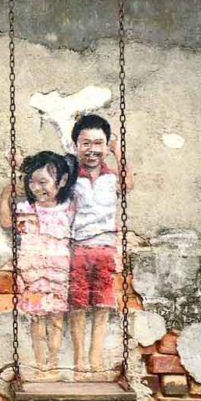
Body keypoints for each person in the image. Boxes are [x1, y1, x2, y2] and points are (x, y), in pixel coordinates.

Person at [0, 151, 77, 378]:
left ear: (61, 182)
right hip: (33, 273)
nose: (36, 188)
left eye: (43, 182)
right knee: (37, 319)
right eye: (31, 182)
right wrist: (5, 196)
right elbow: (6, 222)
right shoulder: (27, 210)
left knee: (56, 319)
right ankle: (39, 366)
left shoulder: (68, 208)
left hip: (59, 274)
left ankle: (52, 363)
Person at [67, 113, 134, 377]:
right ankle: (79, 359)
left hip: (106, 247)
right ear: (76, 146)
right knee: (78, 304)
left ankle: (95, 357)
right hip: (78, 248)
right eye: (85, 143)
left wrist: (119, 153)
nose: (92, 150)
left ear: (106, 146)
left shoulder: (112, 177)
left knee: (103, 304)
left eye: (98, 143)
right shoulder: (71, 177)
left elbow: (129, 184)